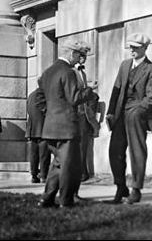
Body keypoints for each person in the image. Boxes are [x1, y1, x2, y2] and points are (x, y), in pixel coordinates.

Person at [36, 40, 95, 208]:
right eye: (79, 55)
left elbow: (39, 100)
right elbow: (74, 98)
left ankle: (46, 199)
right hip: (66, 128)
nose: (79, 59)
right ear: (71, 53)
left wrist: (51, 114)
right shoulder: (68, 72)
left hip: (50, 128)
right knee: (70, 166)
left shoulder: (47, 72)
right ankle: (66, 201)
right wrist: (90, 91)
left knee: (57, 164)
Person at [106, 33, 152, 204]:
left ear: (145, 48)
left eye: (136, 47)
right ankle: (120, 187)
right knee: (114, 151)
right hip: (120, 115)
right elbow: (116, 89)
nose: (132, 50)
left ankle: (136, 189)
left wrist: (137, 110)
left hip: (137, 115)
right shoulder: (125, 65)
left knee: (137, 152)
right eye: (131, 47)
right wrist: (110, 112)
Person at [73, 44, 100, 182]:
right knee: (76, 145)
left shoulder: (82, 72)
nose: (83, 58)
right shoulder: (72, 71)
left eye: (85, 56)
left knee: (83, 144)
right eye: (81, 55)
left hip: (84, 113)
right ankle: (79, 172)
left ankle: (83, 172)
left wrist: (90, 88)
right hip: (75, 113)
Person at [26, 87, 50, 183]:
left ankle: (34, 175)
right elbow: (46, 110)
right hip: (43, 128)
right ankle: (44, 175)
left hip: (32, 129)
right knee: (44, 154)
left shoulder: (31, 95)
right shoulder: (44, 94)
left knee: (34, 154)